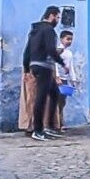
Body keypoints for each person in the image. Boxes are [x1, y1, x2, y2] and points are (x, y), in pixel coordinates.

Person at [22, 8, 63, 139]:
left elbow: (27, 51)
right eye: (57, 17)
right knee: (41, 98)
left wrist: (26, 68)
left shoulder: (34, 30)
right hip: (44, 66)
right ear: (51, 16)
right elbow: (51, 49)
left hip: (34, 65)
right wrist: (62, 63)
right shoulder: (48, 29)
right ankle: (38, 130)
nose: (58, 21)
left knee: (54, 93)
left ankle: (49, 126)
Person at [55, 31, 81, 131]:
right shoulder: (58, 51)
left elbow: (71, 68)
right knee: (56, 102)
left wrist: (73, 80)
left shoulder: (69, 53)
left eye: (71, 39)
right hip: (58, 80)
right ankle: (57, 123)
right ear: (61, 39)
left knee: (62, 102)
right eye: (67, 39)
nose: (69, 41)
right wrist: (57, 77)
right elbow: (55, 64)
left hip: (65, 80)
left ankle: (61, 122)